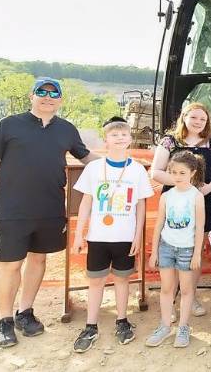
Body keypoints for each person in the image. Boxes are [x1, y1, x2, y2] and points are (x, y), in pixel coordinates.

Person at [0, 77, 98, 348]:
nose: (47, 97)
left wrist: (122, 165)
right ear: (32, 96)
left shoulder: (67, 129)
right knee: (10, 265)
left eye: (53, 93)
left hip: (49, 209)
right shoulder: (8, 125)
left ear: (60, 99)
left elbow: (87, 158)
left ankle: (25, 312)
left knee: (38, 261)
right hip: (12, 210)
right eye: (41, 92)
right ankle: (4, 321)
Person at [70, 117, 154, 353]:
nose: (119, 138)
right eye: (114, 135)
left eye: (124, 135)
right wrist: (79, 235)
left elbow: (140, 205)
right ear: (105, 140)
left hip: (125, 237)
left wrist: (138, 235)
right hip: (98, 237)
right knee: (95, 280)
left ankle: (122, 320)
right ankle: (91, 324)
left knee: (122, 278)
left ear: (130, 139)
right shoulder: (94, 168)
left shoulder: (137, 169)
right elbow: (86, 202)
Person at [151, 102, 211, 315]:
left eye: (202, 119)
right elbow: (156, 171)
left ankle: (190, 297)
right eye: (194, 117)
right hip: (174, 203)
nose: (198, 122)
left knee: (195, 250)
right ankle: (171, 300)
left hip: (202, 201)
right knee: (172, 249)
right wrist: (182, 185)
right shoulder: (169, 141)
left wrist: (208, 187)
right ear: (184, 117)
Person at [145, 151, 205, 348]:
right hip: (166, 247)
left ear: (192, 173)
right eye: (174, 172)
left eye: (182, 173)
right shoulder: (166, 196)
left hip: (187, 249)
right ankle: (164, 325)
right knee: (166, 289)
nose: (177, 177)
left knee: (187, 290)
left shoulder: (196, 196)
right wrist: (154, 251)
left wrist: (197, 253)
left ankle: (183, 327)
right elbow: (159, 224)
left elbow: (199, 227)